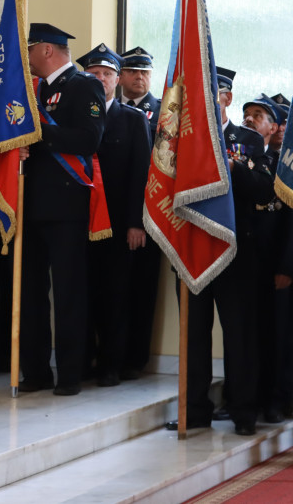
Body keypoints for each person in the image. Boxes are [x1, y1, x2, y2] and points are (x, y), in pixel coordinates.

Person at [166, 67, 273, 436]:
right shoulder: (178, 138)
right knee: (192, 335)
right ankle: (194, 408)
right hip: (191, 246)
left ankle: (243, 410)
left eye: (210, 96)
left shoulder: (248, 140)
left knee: (239, 335)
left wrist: (231, 168)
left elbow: (264, 189)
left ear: (225, 98)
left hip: (235, 251)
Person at [18, 23, 105, 396]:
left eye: (31, 47)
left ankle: (70, 373)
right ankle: (36, 371)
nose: (28, 55)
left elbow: (89, 139)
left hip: (66, 203)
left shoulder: (84, 85)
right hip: (32, 203)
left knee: (68, 292)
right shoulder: (36, 90)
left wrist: (39, 135)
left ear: (48, 51)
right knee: (31, 293)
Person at [78, 44, 150, 387]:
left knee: (117, 296)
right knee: (84, 293)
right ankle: (85, 359)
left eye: (107, 74)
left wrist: (137, 222)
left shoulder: (133, 120)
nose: (101, 79)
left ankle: (111, 364)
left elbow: (141, 174)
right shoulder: (75, 114)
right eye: (94, 74)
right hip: (82, 222)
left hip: (120, 225)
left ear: (117, 80)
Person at [241, 93, 293, 424]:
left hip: (275, 262)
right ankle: (245, 396)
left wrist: (286, 266)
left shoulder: (286, 167)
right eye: (246, 113)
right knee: (246, 335)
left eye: (258, 115)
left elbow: (292, 221)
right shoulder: (239, 158)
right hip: (243, 262)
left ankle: (278, 399)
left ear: (274, 127)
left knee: (278, 335)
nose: (249, 119)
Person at [118, 46, 163, 378]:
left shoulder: (164, 115)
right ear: (121, 76)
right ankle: (110, 355)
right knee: (111, 288)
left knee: (141, 290)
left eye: (144, 72)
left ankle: (134, 359)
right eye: (132, 71)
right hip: (112, 215)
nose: (139, 77)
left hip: (151, 216)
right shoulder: (112, 110)